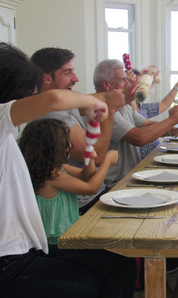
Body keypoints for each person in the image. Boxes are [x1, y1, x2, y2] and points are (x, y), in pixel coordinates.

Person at [0, 41, 133, 297]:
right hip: (4, 267)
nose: (29, 97)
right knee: (92, 286)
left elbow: (62, 101)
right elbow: (55, 98)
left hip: (28, 251)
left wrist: (99, 103)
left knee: (120, 265)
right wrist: (94, 103)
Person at [18, 118, 136, 297]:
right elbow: (90, 188)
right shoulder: (52, 175)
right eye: (65, 142)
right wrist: (107, 162)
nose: (70, 146)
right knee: (122, 265)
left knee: (117, 259)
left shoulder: (55, 168)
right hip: (57, 244)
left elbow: (85, 175)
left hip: (65, 239)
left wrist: (89, 153)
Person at [31, 48, 128, 214]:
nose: (75, 78)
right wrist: (110, 112)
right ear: (46, 78)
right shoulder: (52, 116)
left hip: (95, 195)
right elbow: (95, 158)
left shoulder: (67, 100)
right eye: (68, 72)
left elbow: (116, 96)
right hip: (82, 206)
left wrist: (140, 87)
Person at [93, 59, 178, 187]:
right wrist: (172, 120)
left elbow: (146, 124)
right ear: (106, 84)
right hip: (115, 185)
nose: (127, 84)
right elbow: (139, 137)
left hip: (133, 175)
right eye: (123, 80)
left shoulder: (124, 106)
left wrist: (174, 131)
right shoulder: (103, 109)